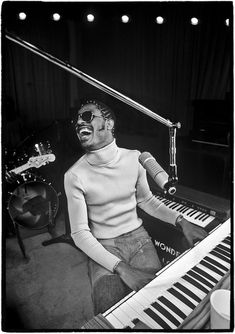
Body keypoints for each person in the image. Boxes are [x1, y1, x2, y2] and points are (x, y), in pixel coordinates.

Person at [64, 99, 207, 316]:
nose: (78, 123)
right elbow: (80, 233)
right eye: (76, 120)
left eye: (86, 116)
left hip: (139, 240)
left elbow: (147, 201)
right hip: (103, 245)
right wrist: (122, 268)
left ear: (109, 123)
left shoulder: (135, 158)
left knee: (155, 305)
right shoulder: (74, 175)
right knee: (110, 310)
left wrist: (182, 221)